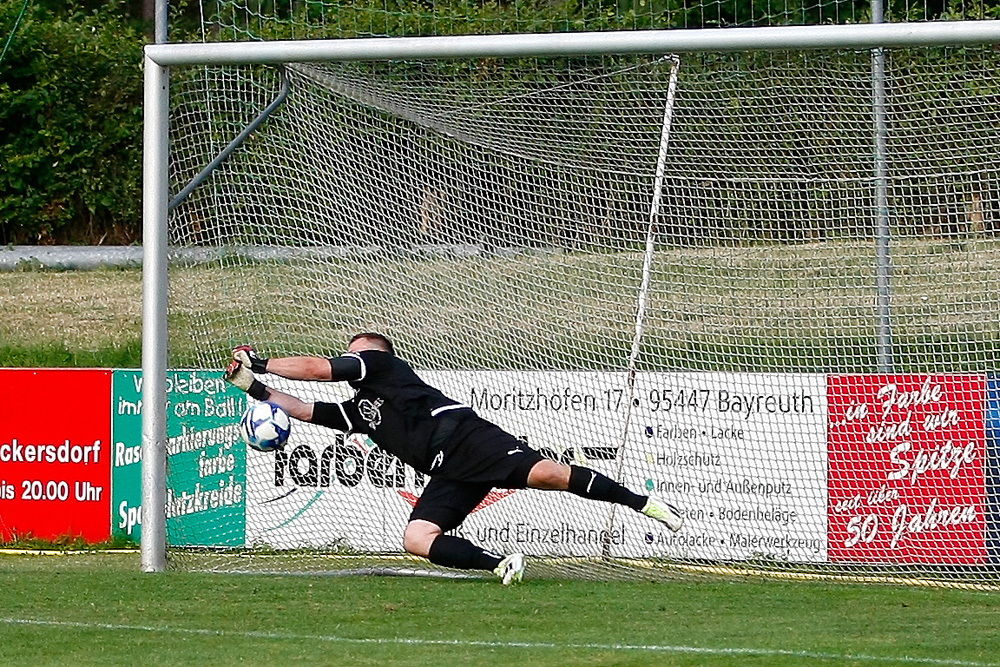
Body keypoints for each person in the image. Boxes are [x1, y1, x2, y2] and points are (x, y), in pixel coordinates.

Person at [224, 332, 683, 585]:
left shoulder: (382, 366)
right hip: (448, 473)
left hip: (469, 441)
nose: (350, 358)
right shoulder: (362, 409)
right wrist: (253, 387)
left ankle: (642, 503)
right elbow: (303, 409)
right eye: (350, 353)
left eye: (355, 352)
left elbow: (319, 371)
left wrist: (261, 362)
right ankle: (500, 564)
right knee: (417, 538)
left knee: (549, 474)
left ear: (374, 355)